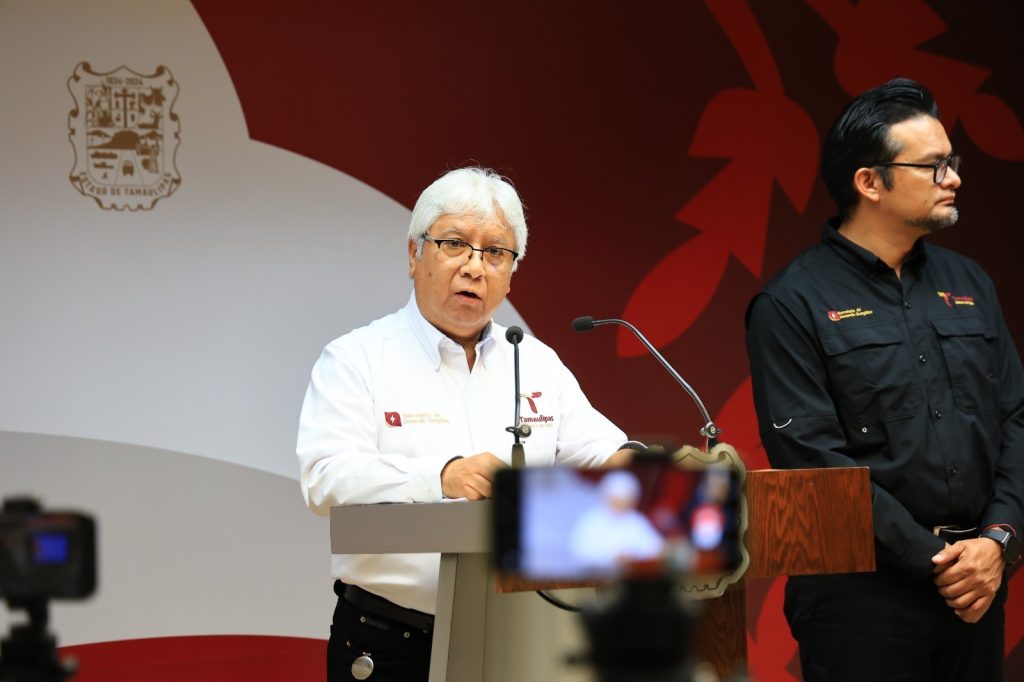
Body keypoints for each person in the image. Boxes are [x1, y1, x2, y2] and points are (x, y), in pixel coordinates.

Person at [297, 166, 635, 681]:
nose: (475, 267)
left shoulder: (535, 362)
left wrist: (637, 472)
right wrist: (442, 476)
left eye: (495, 252)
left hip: (521, 636)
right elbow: (324, 478)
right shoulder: (356, 359)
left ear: (511, 273)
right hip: (392, 642)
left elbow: (604, 452)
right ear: (414, 254)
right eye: (455, 244)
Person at [745, 78, 1023, 681]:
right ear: (870, 183)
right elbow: (814, 459)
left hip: (977, 585)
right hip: (861, 600)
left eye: (953, 162)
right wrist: (940, 561)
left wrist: (998, 542)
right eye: (933, 166)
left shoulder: (970, 283)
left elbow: (1015, 418)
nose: (953, 178)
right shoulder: (791, 303)